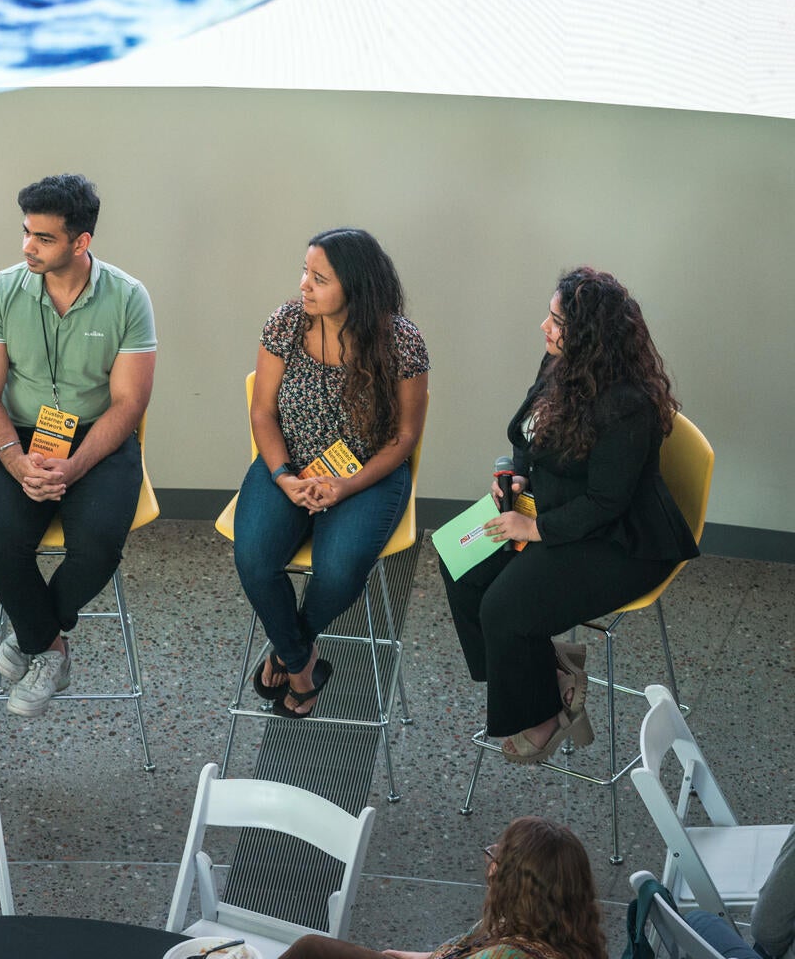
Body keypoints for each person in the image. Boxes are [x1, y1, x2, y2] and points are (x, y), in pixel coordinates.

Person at [444, 267, 697, 763]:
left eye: (556, 320)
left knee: (502, 609)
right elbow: (528, 435)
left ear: (589, 337)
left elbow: (608, 504)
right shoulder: (562, 364)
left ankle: (544, 714)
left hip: (621, 541)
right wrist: (519, 480)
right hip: (556, 505)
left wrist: (533, 528)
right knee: (457, 558)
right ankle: (547, 676)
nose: (544, 326)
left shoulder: (626, 405)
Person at [0, 173, 155, 716]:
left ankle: (31, 637)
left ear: (81, 242)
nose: (28, 246)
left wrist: (73, 467)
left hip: (99, 438)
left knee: (97, 545)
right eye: (26, 232)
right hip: (18, 437)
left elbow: (128, 403)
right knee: (1, 541)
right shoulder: (2, 290)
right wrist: (15, 459)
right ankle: (50, 646)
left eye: (43, 238)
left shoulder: (127, 297)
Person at [233, 228, 428, 719]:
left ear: (357, 287)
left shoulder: (401, 341)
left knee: (339, 572)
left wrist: (346, 486)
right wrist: (282, 476)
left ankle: (286, 648)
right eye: (305, 272)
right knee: (254, 560)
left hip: (368, 474)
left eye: (319, 278)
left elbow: (404, 438)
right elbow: (262, 413)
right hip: (291, 463)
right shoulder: (286, 324)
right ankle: (302, 665)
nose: (304, 285)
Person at [282, 816, 606, 959]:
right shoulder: (559, 931)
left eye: (499, 856)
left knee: (310, 951)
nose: (490, 861)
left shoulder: (505, 954)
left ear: (522, 885)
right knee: (313, 949)